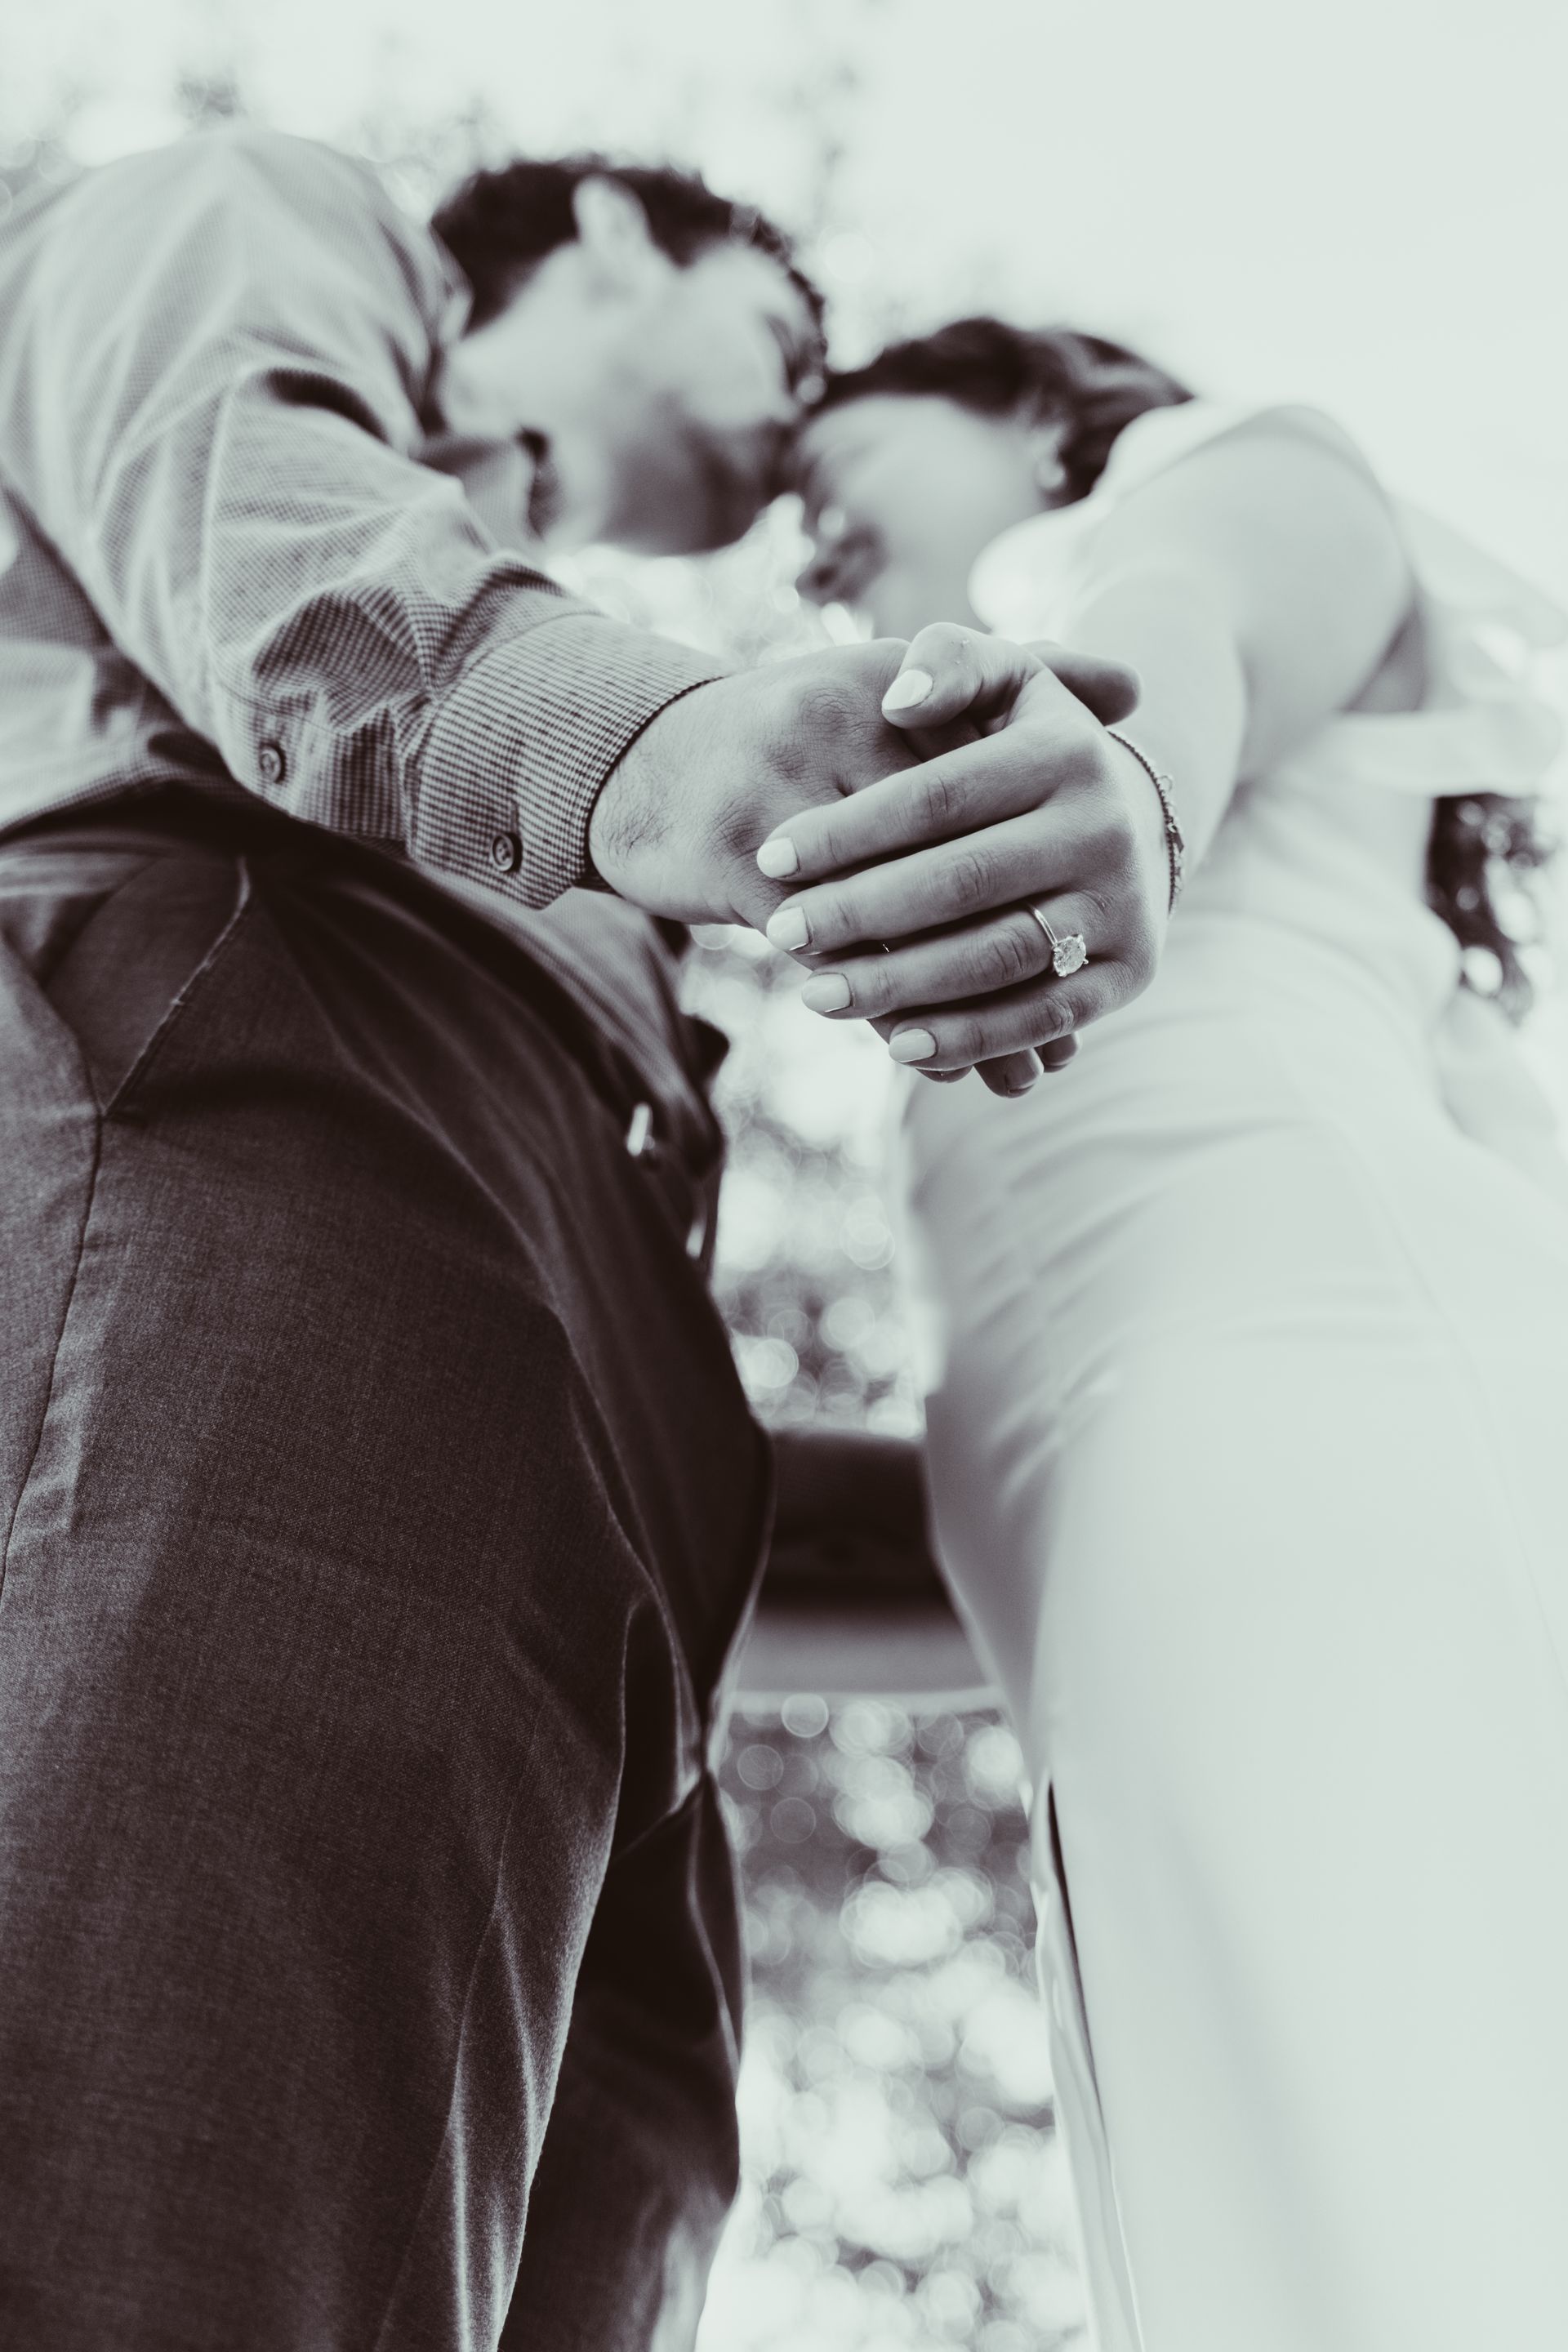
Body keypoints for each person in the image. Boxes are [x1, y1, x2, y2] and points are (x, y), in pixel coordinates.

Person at [0, 140, 1172, 2350]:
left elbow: (699, 1496)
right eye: (785, 327)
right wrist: (649, 748)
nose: (794, 408)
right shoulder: (275, 221)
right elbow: (235, 478)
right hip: (250, 1090)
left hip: (584, 1564)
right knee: (144, 2213)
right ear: (625, 237)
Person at [781, 317, 1568, 2350]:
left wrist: (1124, 771)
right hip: (1136, 1603)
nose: (803, 525)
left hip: (1328, 1441)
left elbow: (1174, 625)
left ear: (1031, 405)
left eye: (834, 441)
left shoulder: (1219, 488)